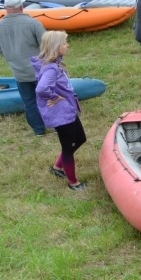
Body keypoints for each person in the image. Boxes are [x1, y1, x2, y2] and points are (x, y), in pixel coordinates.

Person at [31, 31, 87, 190]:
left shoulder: (54, 64)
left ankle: (57, 167)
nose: (67, 45)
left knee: (80, 138)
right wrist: (55, 97)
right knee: (68, 147)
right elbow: (41, 89)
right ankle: (73, 183)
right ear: (55, 47)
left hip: (67, 110)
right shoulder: (51, 68)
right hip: (61, 114)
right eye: (64, 43)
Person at [0, 0, 47, 135]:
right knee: (49, 97)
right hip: (39, 69)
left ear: (6, 8)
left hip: (18, 71)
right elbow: (46, 45)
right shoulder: (33, 23)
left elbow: (0, 50)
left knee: (29, 101)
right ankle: (58, 125)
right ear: (21, 6)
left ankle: (38, 130)